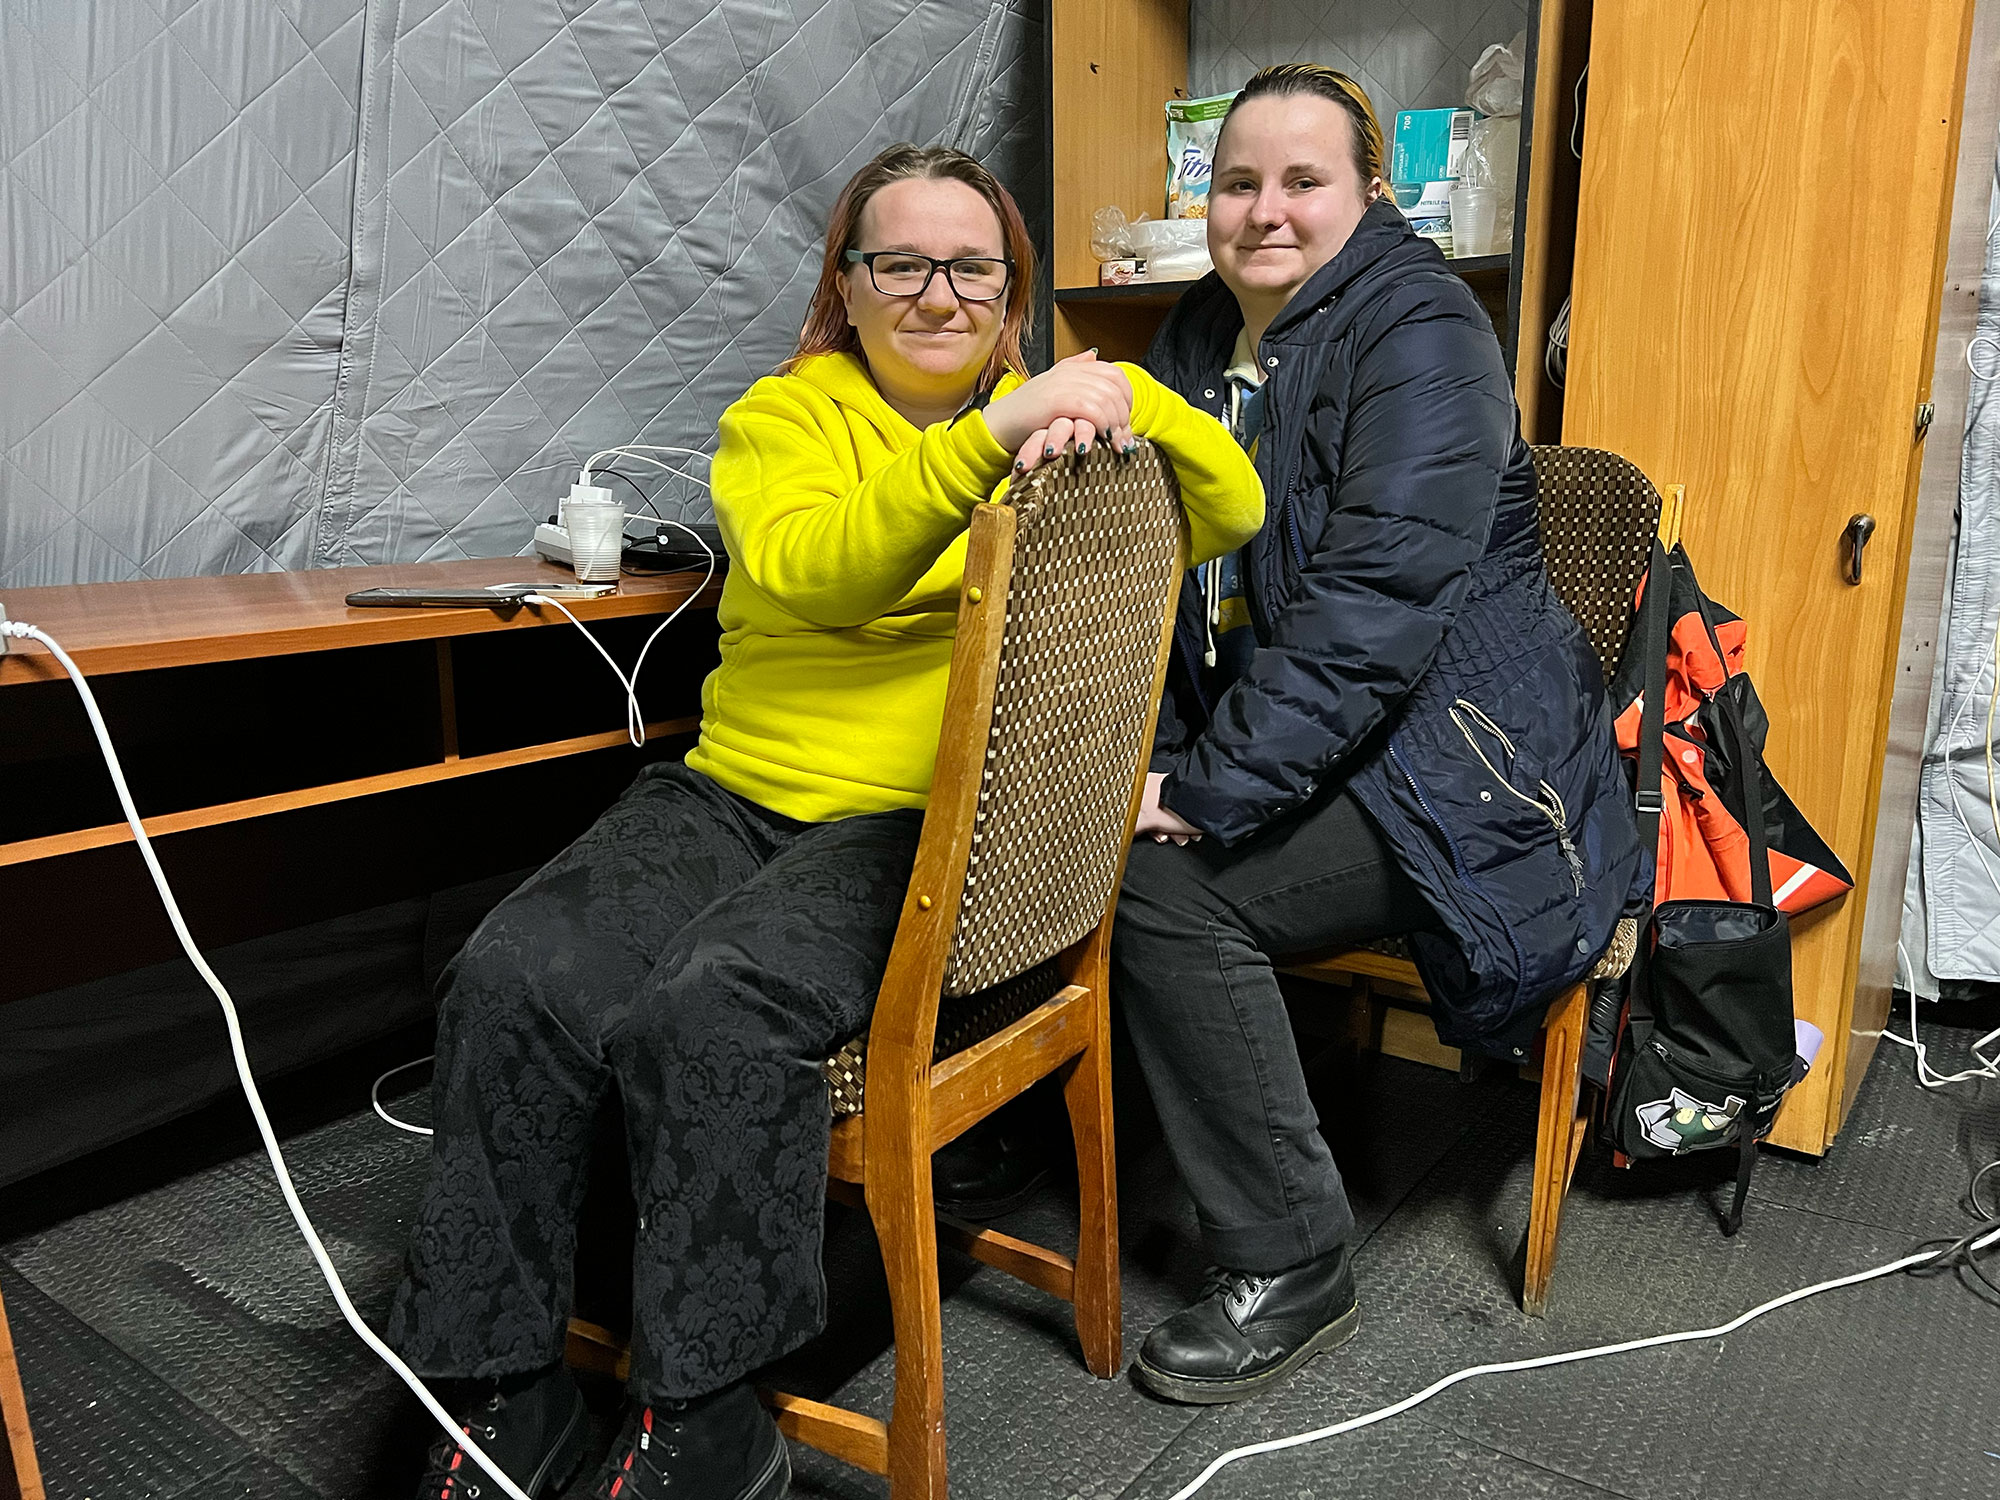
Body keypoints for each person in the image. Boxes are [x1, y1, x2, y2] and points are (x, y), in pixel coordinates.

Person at [388, 143, 1264, 1499]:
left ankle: (710, 1416)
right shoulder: (781, 421)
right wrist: (988, 439)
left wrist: (1122, 392)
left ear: (1011, 291)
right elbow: (820, 575)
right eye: (898, 262)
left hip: (914, 825)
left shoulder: (1058, 408)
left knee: (712, 1010)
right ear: (844, 289)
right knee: (513, 974)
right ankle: (504, 1388)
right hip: (732, 790)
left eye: (971, 266)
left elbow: (1234, 504)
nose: (936, 292)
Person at [1114, 65, 1643, 1405]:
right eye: (1240, 183)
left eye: (1305, 182)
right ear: (1207, 198)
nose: (1267, 210)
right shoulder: (1191, 340)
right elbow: (1182, 594)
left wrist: (1207, 786)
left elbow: (1373, 610)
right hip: (1331, 741)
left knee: (1165, 892)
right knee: (1079, 833)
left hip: (1470, 766)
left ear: (1372, 196)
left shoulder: (1421, 334)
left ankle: (1293, 1258)